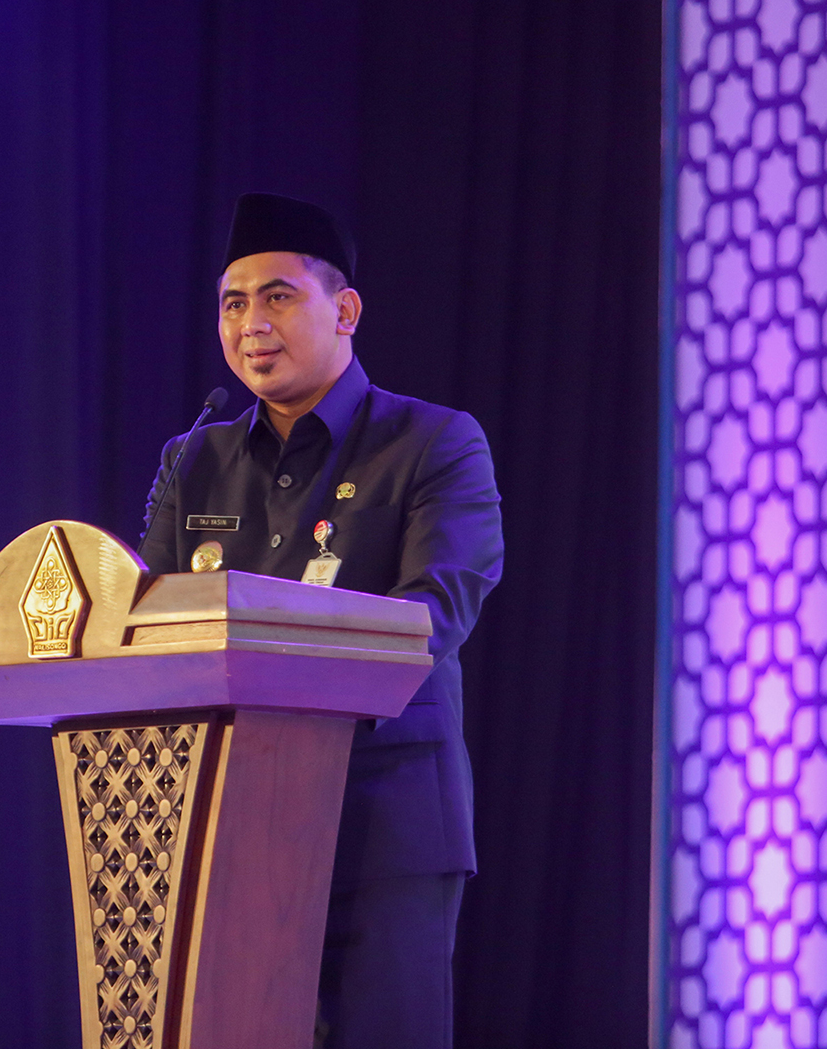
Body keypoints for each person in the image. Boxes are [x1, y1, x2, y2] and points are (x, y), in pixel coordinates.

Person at [139, 192, 504, 1049]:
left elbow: (436, 611)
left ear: (344, 311)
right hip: (224, 826)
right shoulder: (194, 459)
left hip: (382, 829)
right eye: (233, 304)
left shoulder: (433, 442)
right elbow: (144, 626)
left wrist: (290, 659)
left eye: (277, 296)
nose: (251, 325)